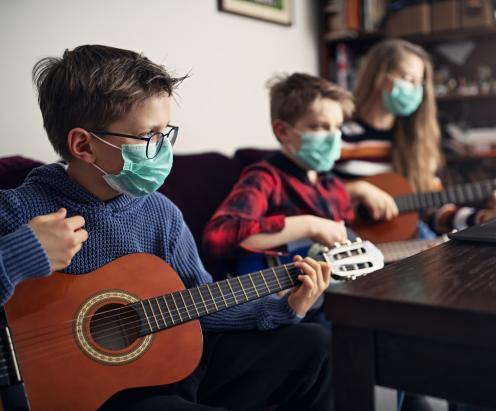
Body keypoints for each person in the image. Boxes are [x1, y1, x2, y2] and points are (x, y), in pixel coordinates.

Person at [0, 45, 333, 411]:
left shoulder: (161, 213)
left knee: (314, 343)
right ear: (84, 145)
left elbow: (198, 302)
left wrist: (281, 307)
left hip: (163, 368)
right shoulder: (18, 210)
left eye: (166, 133)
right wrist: (23, 253)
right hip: (83, 395)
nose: (162, 150)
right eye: (149, 136)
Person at [202, 72, 394, 281]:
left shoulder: (331, 185)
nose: (333, 136)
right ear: (283, 131)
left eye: (337, 127)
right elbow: (218, 236)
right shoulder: (265, 178)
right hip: (281, 295)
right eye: (320, 126)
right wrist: (310, 225)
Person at [335, 39, 496, 237]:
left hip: (405, 250)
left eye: (420, 84)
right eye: (409, 79)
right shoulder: (338, 138)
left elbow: (435, 211)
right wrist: (356, 189)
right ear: (380, 76)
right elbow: (313, 199)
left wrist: (485, 218)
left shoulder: (417, 144)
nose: (415, 90)